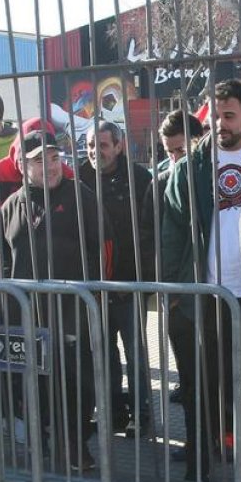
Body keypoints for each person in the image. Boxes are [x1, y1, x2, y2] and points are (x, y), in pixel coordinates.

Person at [160, 78, 241, 482]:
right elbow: (173, 230)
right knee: (202, 384)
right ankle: (202, 458)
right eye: (215, 116)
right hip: (208, 292)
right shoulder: (190, 166)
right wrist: (174, 292)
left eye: (229, 116)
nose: (221, 125)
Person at [0, 130, 108, 471]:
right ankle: (43, 448)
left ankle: (75, 447)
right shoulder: (9, 206)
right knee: (35, 387)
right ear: (21, 165)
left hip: (73, 312)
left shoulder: (81, 196)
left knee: (79, 386)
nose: (49, 166)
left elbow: (104, 248)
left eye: (54, 158)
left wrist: (95, 293)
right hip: (27, 318)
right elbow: (4, 260)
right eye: (38, 160)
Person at [78, 120, 155, 436]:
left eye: (103, 145)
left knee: (135, 353)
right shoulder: (78, 178)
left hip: (130, 282)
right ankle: (112, 411)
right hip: (92, 285)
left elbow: (151, 231)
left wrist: (143, 277)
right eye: (91, 146)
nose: (96, 152)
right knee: (103, 353)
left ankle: (142, 413)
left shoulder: (140, 178)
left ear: (120, 146)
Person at [0, 117, 73, 278]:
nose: (48, 166)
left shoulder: (64, 174)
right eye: (38, 157)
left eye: (51, 156)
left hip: (65, 283)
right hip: (13, 281)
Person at [155, 109, 204, 406]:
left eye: (180, 150)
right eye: (168, 151)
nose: (175, 157)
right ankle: (186, 387)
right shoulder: (161, 180)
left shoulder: (209, 179)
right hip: (173, 286)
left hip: (204, 282)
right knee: (182, 347)